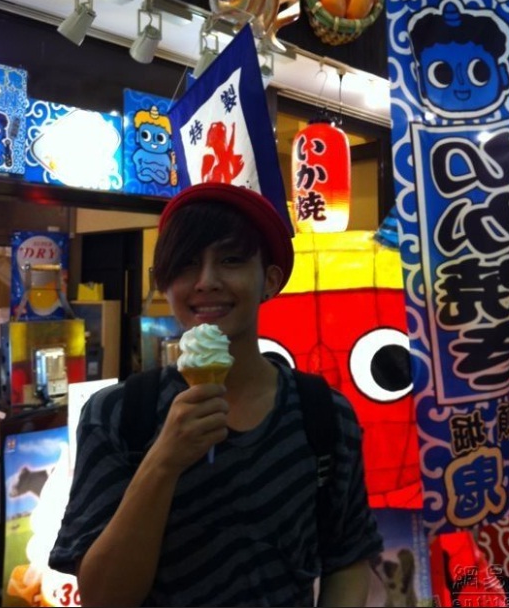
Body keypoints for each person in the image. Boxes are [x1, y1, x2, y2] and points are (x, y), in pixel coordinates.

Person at [49, 182, 382, 607]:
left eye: (231, 260)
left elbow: (347, 560)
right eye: (186, 263)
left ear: (270, 280)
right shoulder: (117, 414)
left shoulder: (325, 415)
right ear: (164, 283)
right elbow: (102, 597)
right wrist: (163, 461)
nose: (206, 281)